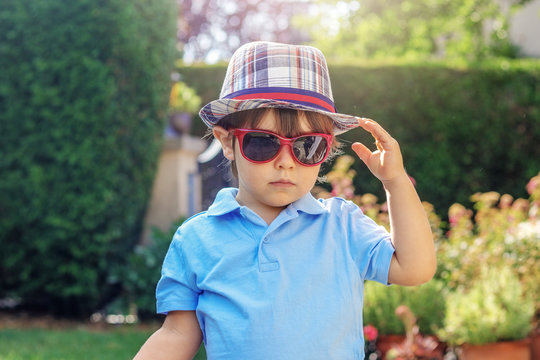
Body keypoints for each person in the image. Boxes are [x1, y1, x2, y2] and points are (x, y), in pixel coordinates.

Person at [134, 41, 436, 360]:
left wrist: (395, 182)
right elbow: (177, 333)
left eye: (307, 146)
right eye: (264, 143)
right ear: (227, 141)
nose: (286, 162)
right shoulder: (197, 239)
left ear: (326, 150)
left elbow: (415, 267)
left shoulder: (342, 226)